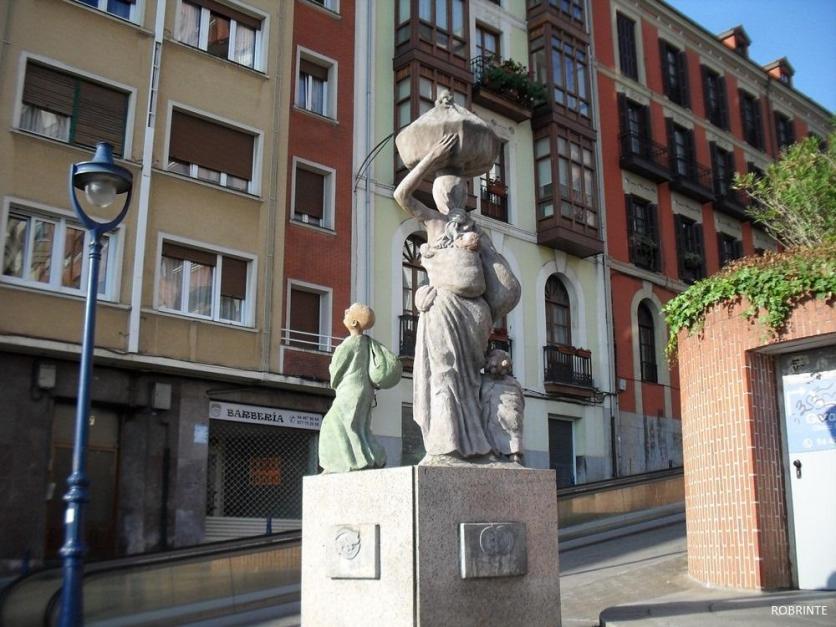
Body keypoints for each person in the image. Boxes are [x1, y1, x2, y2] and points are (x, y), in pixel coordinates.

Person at [394, 133, 520, 462]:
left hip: (472, 316)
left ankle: (473, 446)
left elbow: (504, 283)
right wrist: (431, 158)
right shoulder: (435, 223)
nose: (451, 193)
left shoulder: (474, 231)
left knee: (465, 380)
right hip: (446, 308)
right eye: (446, 189)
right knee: (446, 375)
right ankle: (447, 446)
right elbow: (401, 194)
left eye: (456, 189)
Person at [318, 304, 401, 473]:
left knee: (333, 423)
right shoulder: (368, 343)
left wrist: (334, 377)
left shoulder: (348, 344)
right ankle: (371, 458)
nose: (345, 311)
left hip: (349, 391)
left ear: (354, 322)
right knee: (359, 426)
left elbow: (336, 370)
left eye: (349, 311)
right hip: (365, 391)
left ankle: (346, 463)